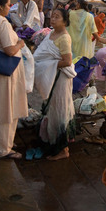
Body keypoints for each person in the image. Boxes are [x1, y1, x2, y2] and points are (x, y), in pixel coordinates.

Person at [0, 0, 28, 159]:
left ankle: (1, 143)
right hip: (5, 73)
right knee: (6, 110)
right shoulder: (2, 22)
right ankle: (4, 149)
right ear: (0, 6)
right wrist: (20, 43)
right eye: (8, 5)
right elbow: (10, 50)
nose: (10, 8)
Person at [34, 8, 76, 161]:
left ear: (65, 21)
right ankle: (52, 142)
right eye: (52, 16)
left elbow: (67, 61)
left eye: (57, 17)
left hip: (60, 78)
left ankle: (63, 149)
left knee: (60, 109)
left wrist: (46, 65)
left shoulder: (64, 38)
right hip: (53, 77)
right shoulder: (51, 33)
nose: (52, 19)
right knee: (52, 108)